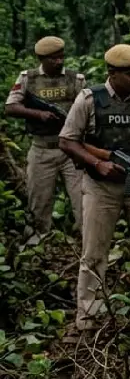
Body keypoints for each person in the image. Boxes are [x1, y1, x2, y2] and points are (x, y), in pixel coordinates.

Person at [59, 45, 130, 330]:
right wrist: (96, 163)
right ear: (112, 73)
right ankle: (87, 318)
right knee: (94, 253)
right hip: (101, 187)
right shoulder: (89, 100)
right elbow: (67, 141)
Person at [4, 36, 85, 237]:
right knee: (39, 202)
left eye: (61, 57)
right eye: (53, 59)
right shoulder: (27, 78)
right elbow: (10, 106)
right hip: (41, 149)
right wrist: (38, 114)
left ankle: (86, 240)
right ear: (41, 58)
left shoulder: (76, 79)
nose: (59, 62)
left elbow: (87, 110)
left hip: (71, 150)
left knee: (82, 199)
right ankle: (41, 243)